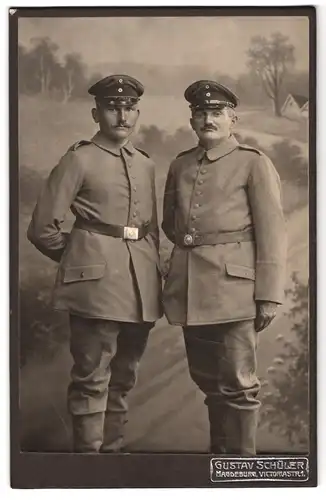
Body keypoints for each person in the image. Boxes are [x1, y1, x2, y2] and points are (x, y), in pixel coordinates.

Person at [27, 74, 162, 453]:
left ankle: (113, 459)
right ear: (96, 112)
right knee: (91, 378)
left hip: (141, 287)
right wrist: (81, 261)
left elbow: (150, 229)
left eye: (129, 108)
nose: (122, 115)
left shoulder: (145, 164)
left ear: (137, 114)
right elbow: (42, 229)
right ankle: (89, 468)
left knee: (124, 376)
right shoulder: (78, 159)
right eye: (112, 107)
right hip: (95, 288)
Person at [162, 80, 286, 456]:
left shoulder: (254, 162)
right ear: (192, 120)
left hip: (236, 292)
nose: (208, 119)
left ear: (233, 119)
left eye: (216, 113)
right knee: (208, 382)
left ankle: (242, 471)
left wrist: (268, 295)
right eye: (200, 113)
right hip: (191, 290)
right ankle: (219, 464)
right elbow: (171, 223)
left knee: (239, 385)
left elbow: (273, 231)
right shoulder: (181, 164)